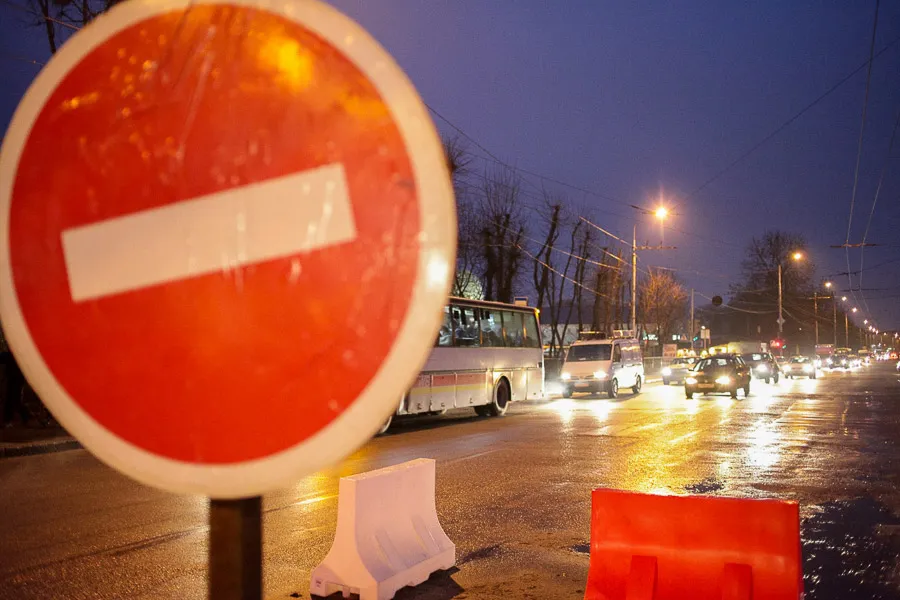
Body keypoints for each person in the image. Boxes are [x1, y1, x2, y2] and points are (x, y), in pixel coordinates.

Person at [1, 350, 29, 427]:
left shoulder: (16, 354)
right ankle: (24, 416)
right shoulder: (12, 354)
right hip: (14, 380)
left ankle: (8, 420)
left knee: (12, 401)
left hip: (17, 380)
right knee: (14, 401)